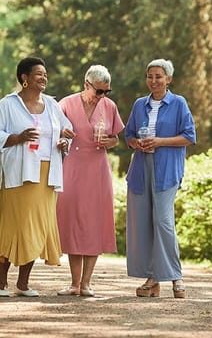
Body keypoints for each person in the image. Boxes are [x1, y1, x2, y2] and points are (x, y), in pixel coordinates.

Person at [0, 57, 74, 298]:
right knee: (13, 226)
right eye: (38, 74)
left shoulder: (53, 105)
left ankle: (23, 283)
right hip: (17, 175)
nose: (44, 78)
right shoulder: (7, 105)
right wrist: (16, 138)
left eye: (45, 74)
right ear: (24, 78)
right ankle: (1, 283)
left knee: (36, 227)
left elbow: (67, 131)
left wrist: (66, 141)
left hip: (46, 175)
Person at [124, 58, 196, 298]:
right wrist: (137, 144)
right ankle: (153, 279)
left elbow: (188, 136)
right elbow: (130, 136)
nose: (153, 81)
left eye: (158, 76)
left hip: (166, 168)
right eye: (150, 76)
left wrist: (160, 142)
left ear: (168, 79)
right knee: (144, 223)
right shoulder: (139, 105)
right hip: (141, 167)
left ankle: (176, 277)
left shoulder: (178, 103)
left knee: (163, 222)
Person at [55, 65, 125, 297]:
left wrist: (110, 142)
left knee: (94, 222)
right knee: (74, 221)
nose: (102, 96)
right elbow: (53, 133)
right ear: (86, 84)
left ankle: (86, 283)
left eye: (106, 91)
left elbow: (116, 138)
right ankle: (74, 283)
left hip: (97, 168)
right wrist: (61, 138)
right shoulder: (65, 104)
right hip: (72, 166)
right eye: (99, 91)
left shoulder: (109, 107)